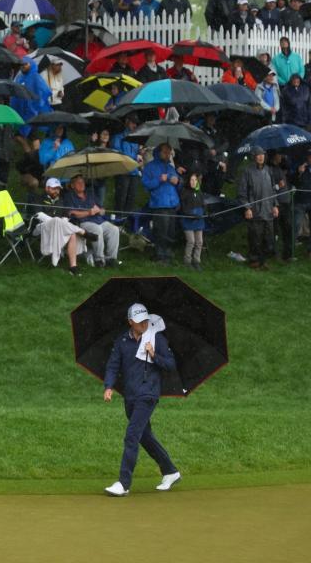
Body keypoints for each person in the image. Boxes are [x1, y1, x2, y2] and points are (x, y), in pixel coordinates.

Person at [102, 303, 181, 497]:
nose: (144, 324)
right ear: (130, 322)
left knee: (131, 436)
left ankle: (123, 483)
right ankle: (170, 471)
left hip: (148, 394)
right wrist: (109, 386)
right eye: (139, 322)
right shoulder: (122, 341)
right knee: (144, 436)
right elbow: (113, 366)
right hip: (130, 396)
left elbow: (171, 364)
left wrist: (154, 355)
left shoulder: (156, 338)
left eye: (146, 320)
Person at [63, 174, 120, 267]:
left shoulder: (90, 194)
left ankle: (111, 259)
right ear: (72, 185)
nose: (82, 184)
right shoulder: (69, 196)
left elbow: (102, 210)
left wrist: (100, 210)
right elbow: (71, 213)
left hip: (98, 220)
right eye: (78, 182)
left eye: (83, 182)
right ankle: (99, 260)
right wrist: (89, 212)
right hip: (83, 222)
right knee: (97, 229)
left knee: (114, 229)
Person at [237, 145, 278, 270]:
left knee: (268, 238)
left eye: (262, 155)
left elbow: (273, 190)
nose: (261, 157)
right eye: (258, 155)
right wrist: (247, 208)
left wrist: (275, 205)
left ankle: (263, 260)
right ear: (254, 157)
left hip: (268, 210)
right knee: (255, 238)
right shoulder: (247, 171)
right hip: (254, 212)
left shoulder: (268, 170)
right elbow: (242, 193)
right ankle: (254, 260)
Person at [142, 143, 180, 263]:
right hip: (159, 203)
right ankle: (160, 254)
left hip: (173, 203)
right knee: (161, 231)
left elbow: (179, 184)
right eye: (165, 152)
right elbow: (146, 185)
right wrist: (159, 179)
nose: (167, 154)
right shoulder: (149, 167)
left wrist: (178, 181)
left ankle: (168, 254)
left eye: (169, 152)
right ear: (158, 152)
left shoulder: (170, 167)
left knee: (171, 230)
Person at [112, 116, 143, 215]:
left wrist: (140, 154)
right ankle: (118, 220)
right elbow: (118, 153)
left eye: (136, 124)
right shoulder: (118, 137)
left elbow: (137, 154)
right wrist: (134, 158)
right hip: (123, 171)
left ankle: (127, 222)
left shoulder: (136, 139)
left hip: (134, 172)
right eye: (133, 123)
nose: (134, 125)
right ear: (127, 122)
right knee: (121, 197)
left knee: (131, 198)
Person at [179, 173, 205, 270]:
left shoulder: (199, 193)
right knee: (191, 241)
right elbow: (183, 208)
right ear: (188, 181)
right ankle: (187, 261)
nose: (193, 182)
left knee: (199, 242)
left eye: (195, 180)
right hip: (188, 220)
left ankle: (196, 261)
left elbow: (203, 206)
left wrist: (205, 213)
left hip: (199, 220)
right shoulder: (184, 192)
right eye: (191, 180)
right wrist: (191, 215)